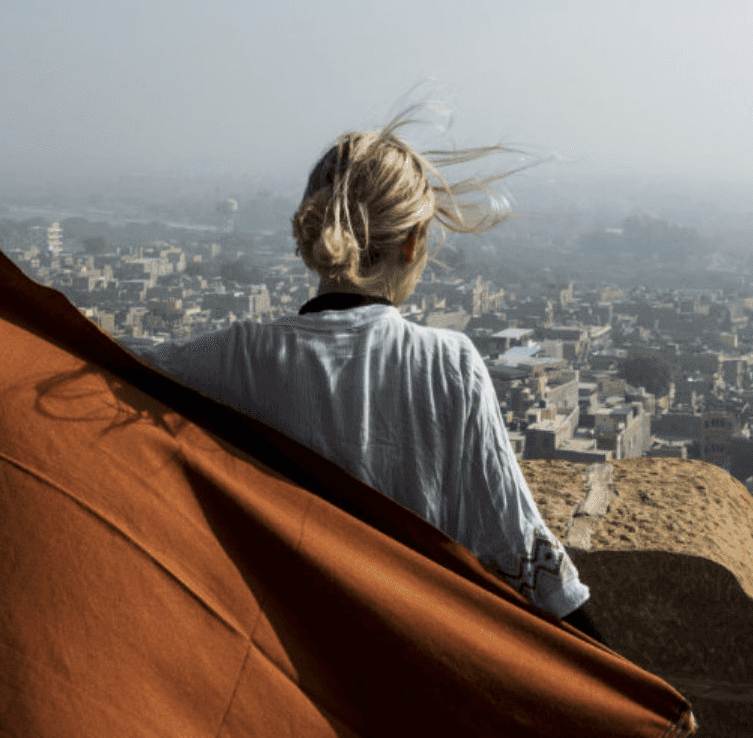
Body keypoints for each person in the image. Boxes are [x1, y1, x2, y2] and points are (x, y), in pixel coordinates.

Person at [135, 116, 600, 634]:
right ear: (413, 240)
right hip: (405, 668)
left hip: (277, 665)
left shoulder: (238, 358)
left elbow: (100, 366)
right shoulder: (448, 366)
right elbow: (528, 561)